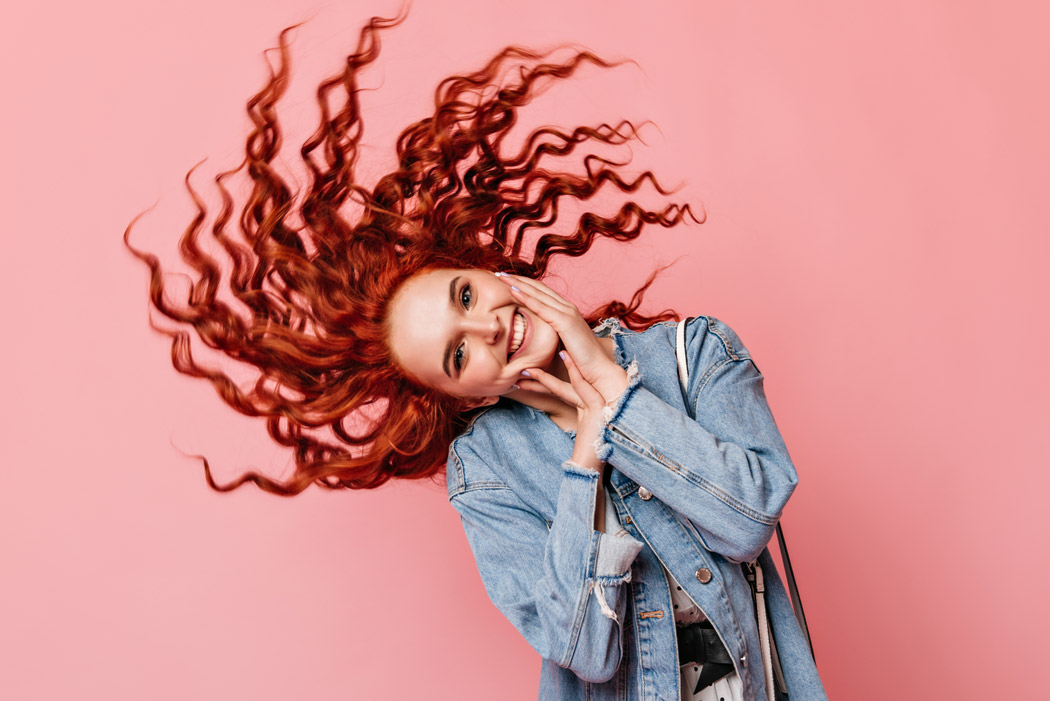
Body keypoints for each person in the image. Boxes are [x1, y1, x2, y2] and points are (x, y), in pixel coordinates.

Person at [126, 10, 827, 701]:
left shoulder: (692, 354)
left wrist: (614, 397)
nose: (486, 329)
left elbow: (747, 520)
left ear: (486, 268)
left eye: (465, 296)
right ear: (464, 395)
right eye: (457, 356)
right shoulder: (486, 471)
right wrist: (585, 461)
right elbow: (583, 649)